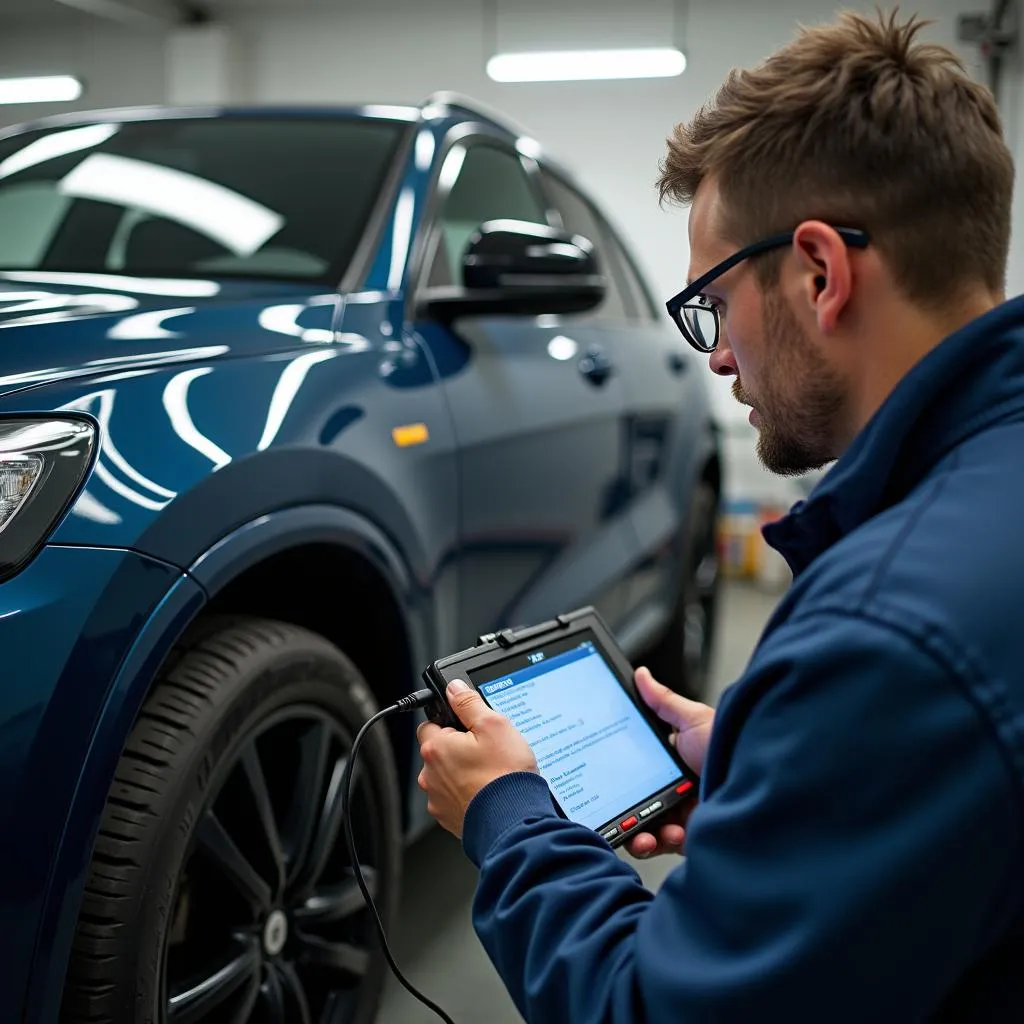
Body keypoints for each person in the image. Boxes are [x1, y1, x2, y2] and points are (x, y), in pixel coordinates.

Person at [417, 9, 1024, 1021]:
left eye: (711, 301)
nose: (716, 356)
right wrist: (769, 758)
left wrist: (509, 816)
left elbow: (648, 1007)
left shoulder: (885, 636)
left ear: (819, 273)